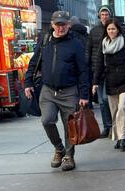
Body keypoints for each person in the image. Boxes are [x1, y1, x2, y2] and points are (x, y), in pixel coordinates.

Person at [24, 11, 89, 171]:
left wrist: (84, 95)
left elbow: (83, 70)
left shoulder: (76, 43)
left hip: (69, 90)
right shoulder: (45, 40)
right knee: (47, 120)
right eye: (58, 24)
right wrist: (28, 82)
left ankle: (68, 156)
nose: (61, 28)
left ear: (68, 25)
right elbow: (34, 62)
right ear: (52, 25)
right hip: (48, 90)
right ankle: (59, 148)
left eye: (64, 24)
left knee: (70, 126)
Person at [92, 18, 125, 152]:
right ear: (106, 31)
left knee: (122, 107)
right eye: (109, 29)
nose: (111, 31)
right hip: (111, 81)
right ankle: (118, 137)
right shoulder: (104, 45)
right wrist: (95, 82)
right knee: (114, 112)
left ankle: (123, 138)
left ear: (118, 29)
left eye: (113, 29)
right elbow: (99, 64)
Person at [87, 5, 113, 138]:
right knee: (102, 101)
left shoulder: (115, 29)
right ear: (99, 16)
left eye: (106, 14)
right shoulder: (93, 31)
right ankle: (107, 126)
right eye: (102, 14)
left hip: (112, 71)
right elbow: (89, 50)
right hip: (97, 70)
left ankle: (115, 125)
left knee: (110, 100)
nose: (104, 17)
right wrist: (88, 67)